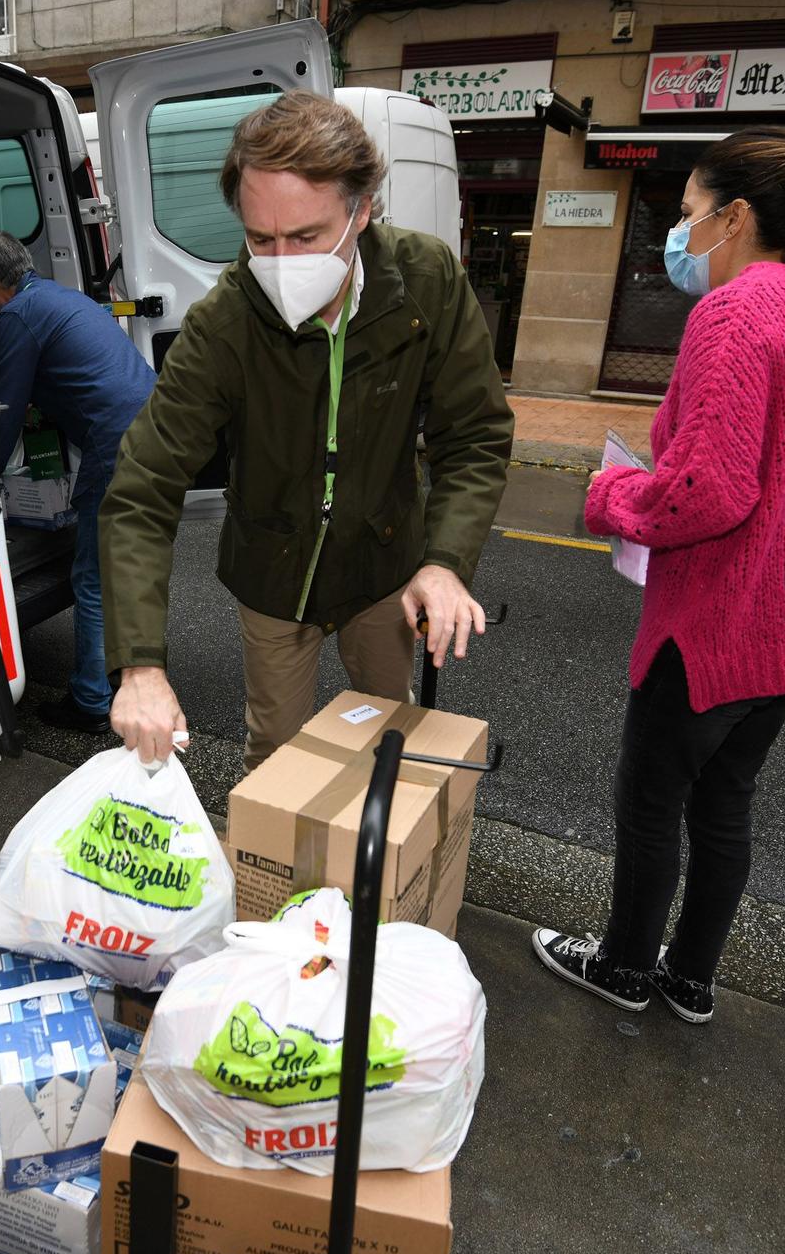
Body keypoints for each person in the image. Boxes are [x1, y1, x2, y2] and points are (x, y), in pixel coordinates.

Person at [533, 128, 785, 1025]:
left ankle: (622, 966)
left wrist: (613, 496)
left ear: (734, 218)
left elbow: (709, 491)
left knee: (651, 799)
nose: (680, 233)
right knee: (726, 803)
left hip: (719, 621)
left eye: (689, 213)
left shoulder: (735, 312)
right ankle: (691, 978)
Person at [100, 91, 513, 770]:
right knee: (275, 758)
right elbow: (142, 489)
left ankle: (384, 871)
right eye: (261, 239)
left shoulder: (426, 282)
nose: (283, 260)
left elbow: (474, 434)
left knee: (394, 743)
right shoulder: (223, 323)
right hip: (272, 577)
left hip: (385, 567)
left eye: (308, 235)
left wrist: (445, 562)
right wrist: (139, 664)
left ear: (363, 209)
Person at [0, 230, 156, 734]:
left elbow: (1, 413)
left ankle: (92, 701)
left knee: (92, 577)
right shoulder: (60, 297)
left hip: (116, 444)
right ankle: (129, 678)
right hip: (158, 430)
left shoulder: (15, 316)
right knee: (129, 567)